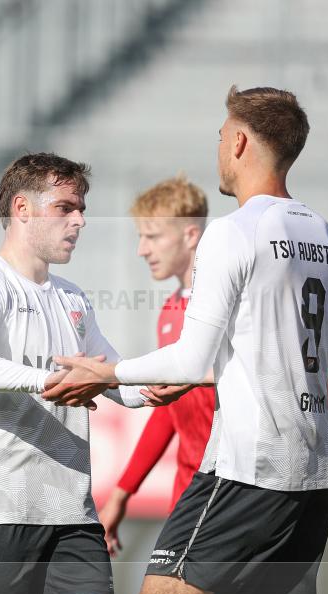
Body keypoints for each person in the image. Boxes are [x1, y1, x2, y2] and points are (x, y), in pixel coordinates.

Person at [45, 85, 328, 594]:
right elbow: (272, 350)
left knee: (163, 593)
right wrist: (204, 378)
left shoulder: (234, 232)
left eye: (222, 134)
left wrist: (104, 372)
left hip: (251, 468)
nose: (219, 146)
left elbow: (188, 357)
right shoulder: (324, 233)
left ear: (242, 142)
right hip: (315, 471)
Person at [0, 153, 189, 594]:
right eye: (65, 208)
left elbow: (111, 378)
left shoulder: (73, 299)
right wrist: (46, 382)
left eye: (82, 210)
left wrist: (154, 387)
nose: (79, 221)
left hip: (74, 516)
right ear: (22, 209)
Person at [98, 175, 216, 558]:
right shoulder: (170, 311)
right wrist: (122, 491)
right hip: (187, 488)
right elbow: (170, 409)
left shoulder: (225, 303)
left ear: (190, 235)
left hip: (229, 488)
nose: (141, 249)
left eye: (152, 237)